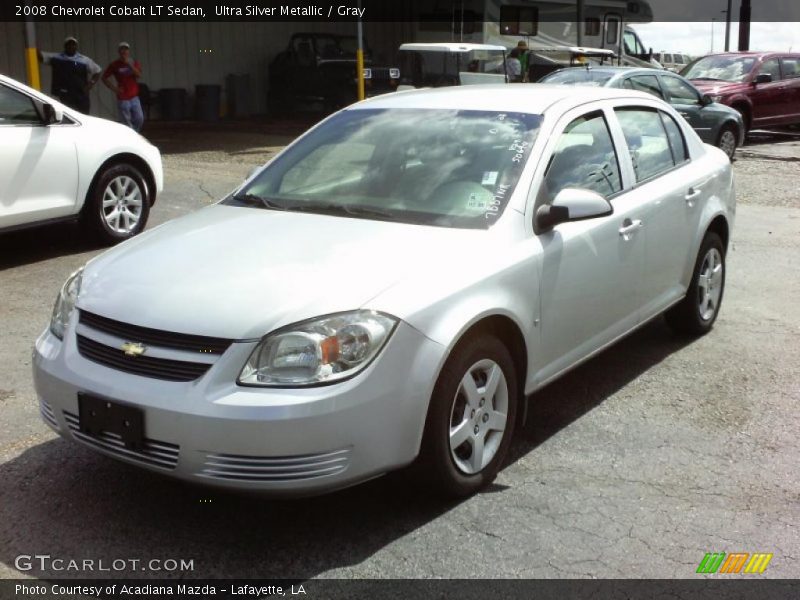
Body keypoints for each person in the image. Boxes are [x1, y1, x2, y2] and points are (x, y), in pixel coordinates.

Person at [39, 37, 101, 114]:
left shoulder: (84, 60)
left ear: (76, 46)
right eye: (69, 45)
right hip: (63, 94)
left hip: (80, 95)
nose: (71, 47)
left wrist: (90, 84)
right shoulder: (56, 58)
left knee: (83, 115)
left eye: (73, 45)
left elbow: (97, 71)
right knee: (66, 115)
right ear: (65, 46)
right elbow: (39, 56)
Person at [102, 42, 144, 131]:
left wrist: (129, 64)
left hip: (134, 96)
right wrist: (115, 89)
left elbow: (139, 75)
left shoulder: (134, 62)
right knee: (126, 121)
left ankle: (135, 133)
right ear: (119, 51)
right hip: (123, 97)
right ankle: (131, 136)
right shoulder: (114, 64)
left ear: (128, 51)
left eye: (126, 49)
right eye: (122, 49)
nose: (124, 51)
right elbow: (104, 78)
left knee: (139, 118)